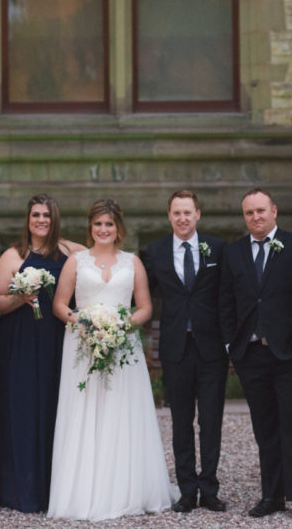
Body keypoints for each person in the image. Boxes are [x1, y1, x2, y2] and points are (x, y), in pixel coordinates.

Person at [47, 199, 176, 520]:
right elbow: (60, 305)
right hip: (83, 345)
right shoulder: (76, 261)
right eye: (98, 224)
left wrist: (120, 325)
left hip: (123, 346)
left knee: (122, 412)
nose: (103, 230)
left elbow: (145, 307)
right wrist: (85, 324)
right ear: (90, 228)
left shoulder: (132, 263)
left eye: (109, 224)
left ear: (119, 228)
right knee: (86, 412)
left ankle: (126, 489)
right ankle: (82, 492)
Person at [217, 187, 292, 521]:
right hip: (252, 354)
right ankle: (272, 495)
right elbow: (226, 302)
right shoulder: (233, 253)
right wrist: (233, 345)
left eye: (261, 211)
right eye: (249, 213)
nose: (256, 217)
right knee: (265, 429)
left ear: (274, 211)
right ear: (244, 216)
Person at [0, 194, 85, 513]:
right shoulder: (13, 255)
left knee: (57, 408)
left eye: (46, 215)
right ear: (27, 219)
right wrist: (21, 296)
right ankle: (21, 489)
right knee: (22, 409)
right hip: (19, 342)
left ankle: (58, 489)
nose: (41, 220)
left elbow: (102, 262)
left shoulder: (71, 252)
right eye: (35, 215)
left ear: (54, 218)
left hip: (58, 340)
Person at [142, 189, 228, 513]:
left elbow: (227, 296)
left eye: (187, 212)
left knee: (210, 421)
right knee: (181, 421)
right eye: (176, 213)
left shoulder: (218, 248)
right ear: (169, 216)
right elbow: (141, 292)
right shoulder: (155, 252)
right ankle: (187, 489)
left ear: (198, 214)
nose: (182, 218)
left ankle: (210, 488)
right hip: (175, 347)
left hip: (211, 348)